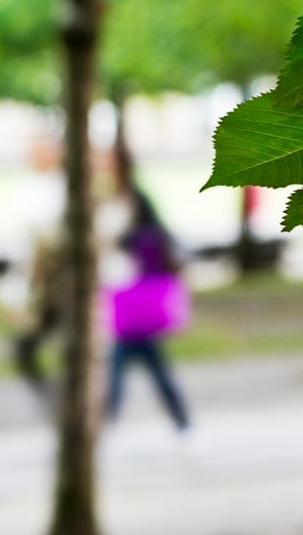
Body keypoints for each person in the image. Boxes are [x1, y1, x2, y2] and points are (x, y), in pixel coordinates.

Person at [101, 147, 191, 433]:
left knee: (127, 355)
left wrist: (120, 241)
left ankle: (106, 419)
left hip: (134, 287)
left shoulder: (134, 199)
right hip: (120, 286)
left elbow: (153, 237)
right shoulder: (110, 198)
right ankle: (179, 417)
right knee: (144, 357)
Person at [2, 135, 69, 409]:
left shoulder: (66, 187)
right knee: (25, 347)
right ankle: (55, 402)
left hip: (62, 282)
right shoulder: (28, 188)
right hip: (40, 285)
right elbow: (24, 245)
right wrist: (14, 291)